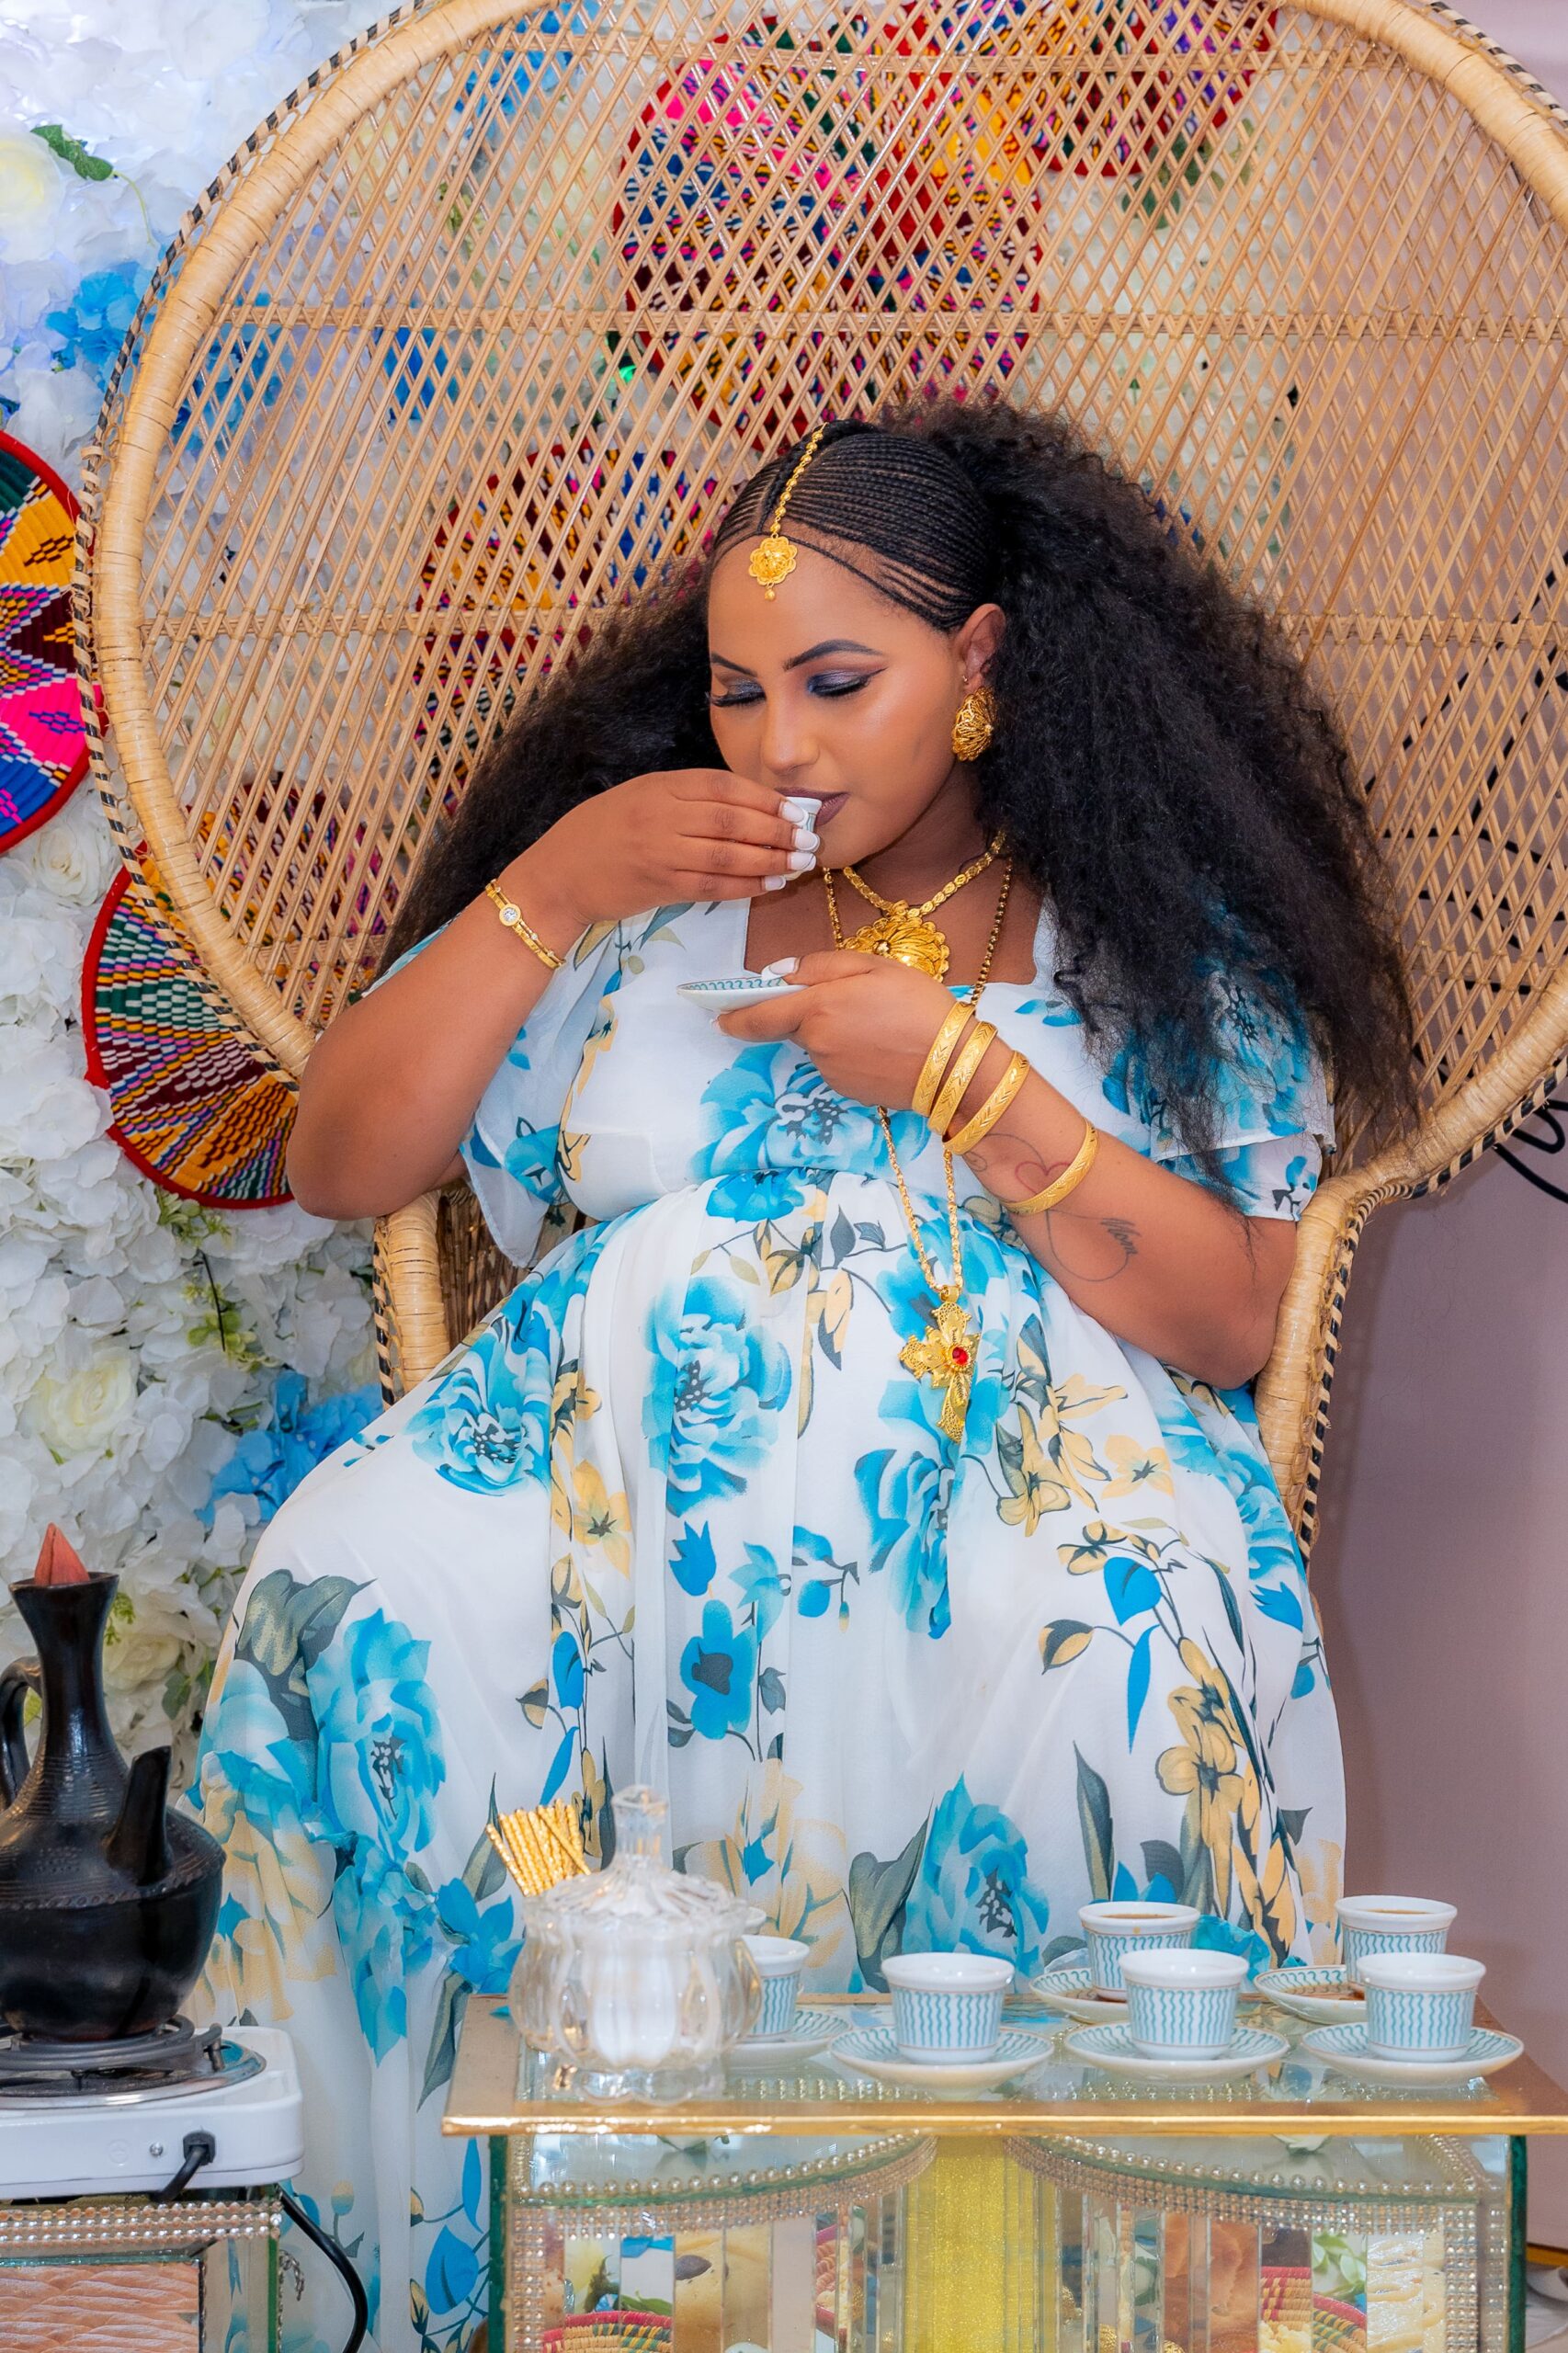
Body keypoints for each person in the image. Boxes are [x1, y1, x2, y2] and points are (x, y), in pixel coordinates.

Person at [193, 398, 1414, 2352]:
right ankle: (452, 2283)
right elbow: (343, 1162)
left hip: (1019, 1482)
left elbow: (1226, 1322)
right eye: (737, 689)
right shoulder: (636, 916)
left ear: (981, 663)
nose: (779, 743)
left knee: (1100, 1659)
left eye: (839, 683)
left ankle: (1014, 2289)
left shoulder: (1141, 938)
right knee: (351, 1602)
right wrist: (554, 884)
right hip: (595, 1493)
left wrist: (965, 1078)